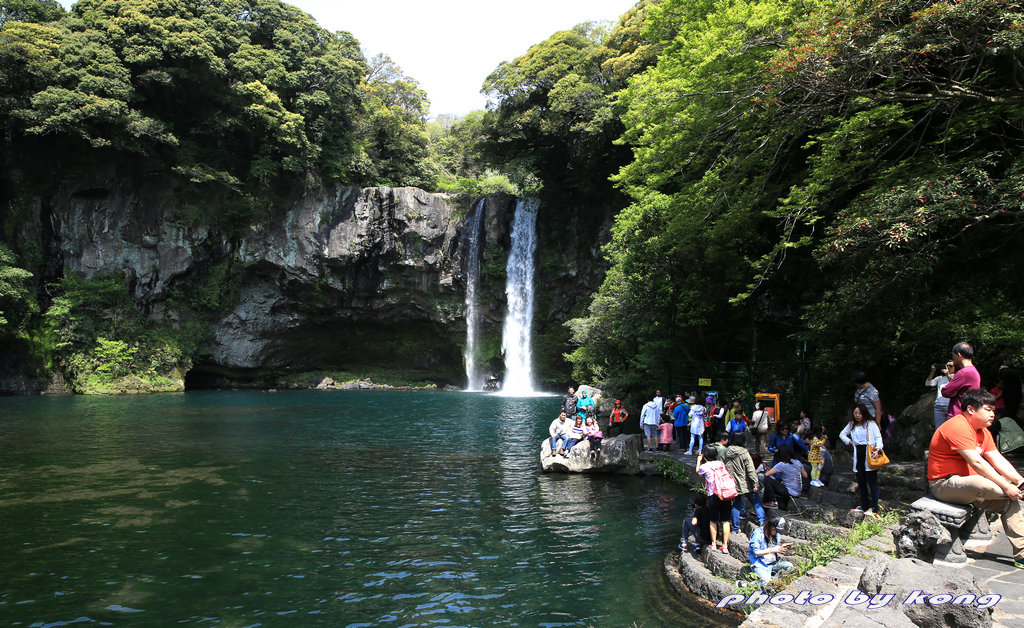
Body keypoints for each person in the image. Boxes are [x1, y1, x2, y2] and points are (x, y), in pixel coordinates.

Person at [928, 388, 1024, 568]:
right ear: (971, 409)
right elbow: (977, 462)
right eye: (988, 409)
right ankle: (1013, 490)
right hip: (945, 484)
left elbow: (997, 459)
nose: (993, 414)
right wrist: (1008, 486)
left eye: (994, 410)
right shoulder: (958, 426)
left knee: (1010, 502)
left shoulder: (982, 430)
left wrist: (1020, 481)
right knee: (996, 486)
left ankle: (1022, 555)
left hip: (971, 488)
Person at [839, 404, 884, 516]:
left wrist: (877, 450)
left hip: (869, 453)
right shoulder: (852, 424)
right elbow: (842, 434)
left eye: (859, 413)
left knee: (872, 482)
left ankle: (875, 508)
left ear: (864, 413)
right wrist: (850, 442)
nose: (857, 415)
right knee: (861, 482)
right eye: (855, 413)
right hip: (858, 454)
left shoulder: (871, 424)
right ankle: (864, 506)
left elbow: (878, 437)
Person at [696, 445, 732, 553]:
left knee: (713, 520)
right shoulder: (720, 463)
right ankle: (725, 546)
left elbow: (698, 471)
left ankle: (713, 544)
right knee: (725, 521)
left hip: (714, 495)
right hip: (726, 494)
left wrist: (699, 460)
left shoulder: (705, 466)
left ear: (705, 455)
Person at [725, 431, 766, 527]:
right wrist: (755, 483)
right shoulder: (744, 453)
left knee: (736, 505)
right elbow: (751, 470)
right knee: (756, 501)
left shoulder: (727, 451)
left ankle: (735, 527)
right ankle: (762, 521)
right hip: (746, 482)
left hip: (733, 483)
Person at [748, 517, 794, 587]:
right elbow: (756, 552)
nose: (777, 533)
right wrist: (772, 550)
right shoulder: (758, 534)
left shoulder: (776, 535)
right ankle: (748, 584)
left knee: (789, 566)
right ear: (771, 528)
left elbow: (774, 547)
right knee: (767, 583)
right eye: (776, 531)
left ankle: (773, 580)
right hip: (760, 564)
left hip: (773, 564)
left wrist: (780, 548)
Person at [942, 342, 981, 419]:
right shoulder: (974, 371)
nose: (953, 359)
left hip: (957, 414)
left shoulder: (963, 372)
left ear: (959, 355)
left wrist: (953, 392)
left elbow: (945, 391)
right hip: (967, 414)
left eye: (953, 356)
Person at [763, 445, 807, 509]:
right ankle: (766, 505)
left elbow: (766, 474)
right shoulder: (798, 462)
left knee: (766, 480)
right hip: (798, 491)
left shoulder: (782, 464)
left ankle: (773, 501)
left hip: (789, 491)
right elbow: (805, 475)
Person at [926, 360, 954, 429]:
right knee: (938, 429)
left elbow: (954, 385)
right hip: (939, 406)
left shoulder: (957, 377)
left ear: (955, 368)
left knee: (950, 429)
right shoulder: (940, 378)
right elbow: (928, 383)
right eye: (946, 366)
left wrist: (948, 375)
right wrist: (932, 372)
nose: (948, 367)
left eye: (950, 366)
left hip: (950, 406)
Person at [996, 353, 1022, 421]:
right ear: (1004, 361)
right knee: (1012, 414)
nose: (1010, 361)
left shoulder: (1007, 370)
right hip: (1012, 397)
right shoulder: (1004, 371)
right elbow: (1016, 372)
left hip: (1012, 397)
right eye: (1009, 359)